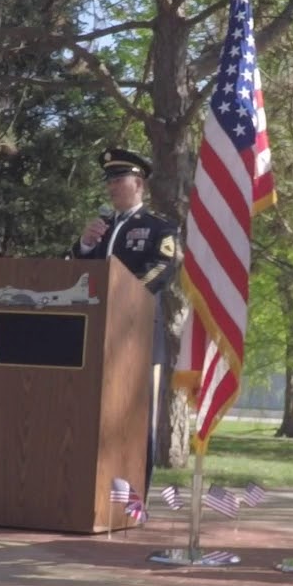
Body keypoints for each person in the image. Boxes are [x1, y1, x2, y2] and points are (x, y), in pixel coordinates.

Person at [72, 146, 178, 509]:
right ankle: (92, 496)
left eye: (119, 179)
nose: (112, 186)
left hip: (137, 337)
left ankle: (133, 502)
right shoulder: (101, 228)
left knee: (136, 422)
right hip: (95, 337)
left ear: (139, 184)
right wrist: (85, 245)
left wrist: (122, 293)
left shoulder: (158, 228)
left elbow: (161, 269)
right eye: (109, 181)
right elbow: (78, 274)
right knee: (91, 416)